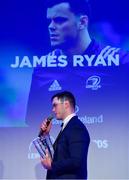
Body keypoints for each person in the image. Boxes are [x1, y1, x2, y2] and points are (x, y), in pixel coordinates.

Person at [26, 0, 129, 126]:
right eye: (50, 21)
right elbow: (32, 124)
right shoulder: (42, 68)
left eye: (59, 20)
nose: (51, 26)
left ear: (82, 22)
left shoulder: (120, 62)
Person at [40, 91, 90, 179]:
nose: (53, 109)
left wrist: (52, 165)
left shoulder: (76, 127)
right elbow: (56, 156)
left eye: (55, 105)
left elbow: (76, 161)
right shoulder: (68, 127)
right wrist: (46, 135)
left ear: (66, 104)